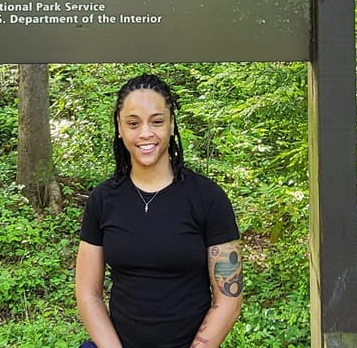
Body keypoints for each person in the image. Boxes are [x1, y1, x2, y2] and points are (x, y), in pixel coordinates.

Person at [75, 74, 242, 348]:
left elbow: (228, 300)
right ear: (119, 128)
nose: (145, 133)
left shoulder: (208, 198)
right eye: (133, 123)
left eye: (156, 121)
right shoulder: (103, 200)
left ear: (171, 124)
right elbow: (87, 294)